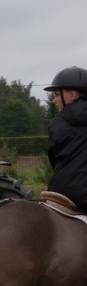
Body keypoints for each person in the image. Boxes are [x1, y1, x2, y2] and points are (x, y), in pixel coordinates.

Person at [44, 66, 87, 212]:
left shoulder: (57, 123)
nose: (54, 100)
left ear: (73, 95)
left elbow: (53, 159)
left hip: (60, 191)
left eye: (57, 95)